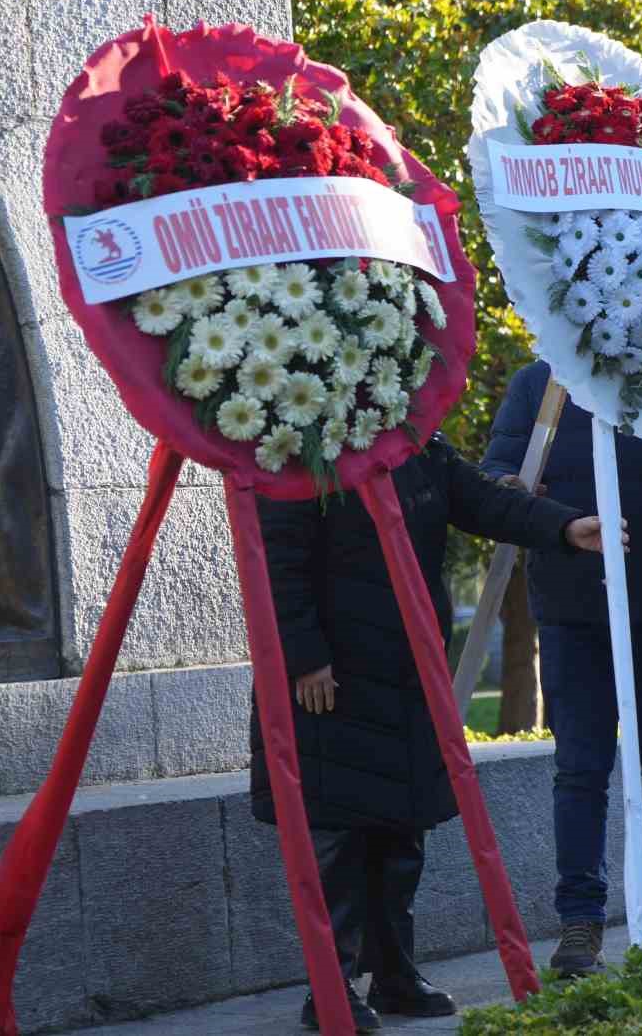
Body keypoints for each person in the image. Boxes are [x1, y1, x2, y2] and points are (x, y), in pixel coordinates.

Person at [254, 432, 620, 1032]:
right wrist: (304, 657)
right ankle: (330, 984)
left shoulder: (413, 442)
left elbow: (481, 499)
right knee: (337, 839)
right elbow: (276, 558)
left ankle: (394, 974)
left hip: (407, 671)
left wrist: (566, 526)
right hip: (330, 679)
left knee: (402, 833)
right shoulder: (300, 444)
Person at [480, 359, 642, 976]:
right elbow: (497, 473)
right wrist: (511, 488)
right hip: (572, 601)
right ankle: (580, 925)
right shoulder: (540, 383)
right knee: (580, 770)